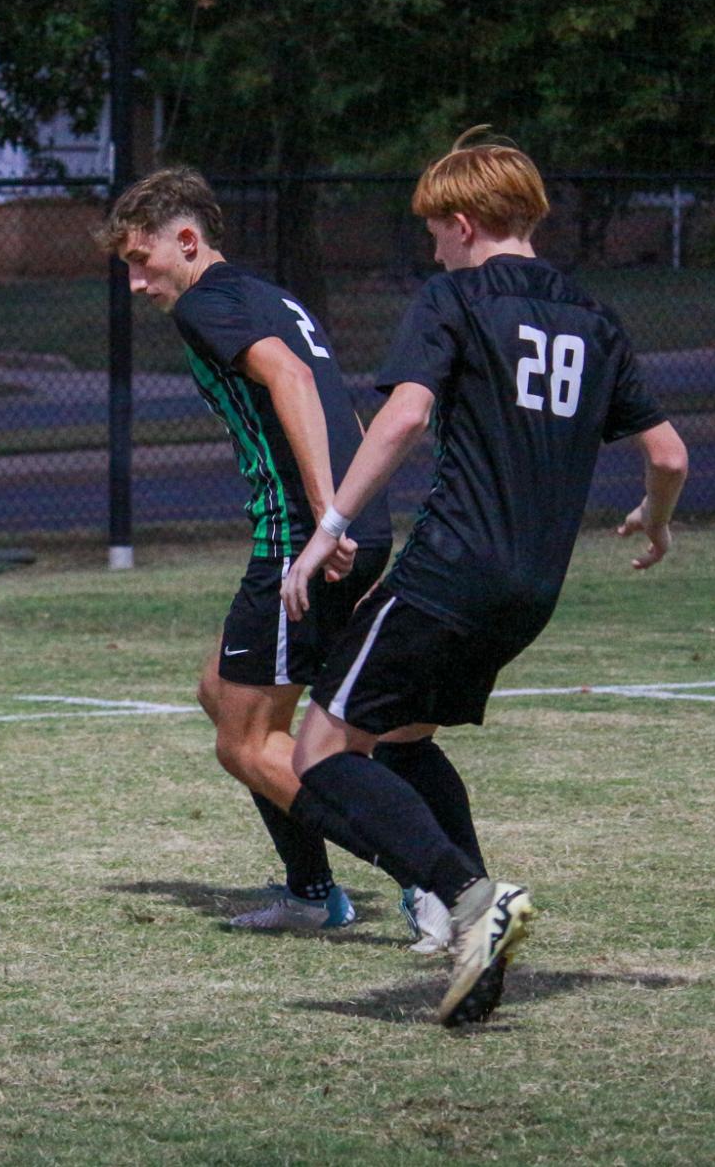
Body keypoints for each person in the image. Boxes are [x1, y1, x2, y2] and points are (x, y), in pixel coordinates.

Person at [281, 128, 690, 1024]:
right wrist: (653, 523)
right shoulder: (595, 317)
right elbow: (666, 453)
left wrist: (330, 527)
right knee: (401, 741)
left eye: (434, 229)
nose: (430, 245)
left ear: (464, 223)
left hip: (449, 571)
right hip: (531, 590)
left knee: (317, 756)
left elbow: (403, 417)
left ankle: (469, 897)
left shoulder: (453, 296)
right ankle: (478, 962)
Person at [99, 167, 393, 931]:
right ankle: (308, 893)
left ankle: (431, 874)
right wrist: (358, 518)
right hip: (344, 527)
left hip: (299, 537)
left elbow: (293, 381)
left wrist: (327, 520)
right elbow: (341, 407)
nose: (135, 282)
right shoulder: (270, 296)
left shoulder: (205, 304)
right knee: (220, 692)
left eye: (141, 260)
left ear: (187, 241)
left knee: (247, 742)